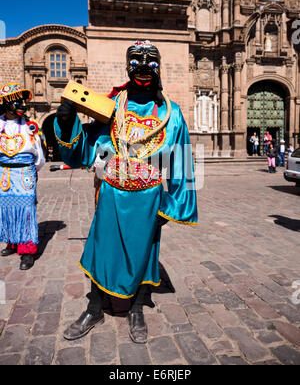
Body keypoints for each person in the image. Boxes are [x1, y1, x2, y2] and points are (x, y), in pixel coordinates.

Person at [54, 40, 198, 343]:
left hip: (148, 200)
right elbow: (87, 152)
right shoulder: (111, 106)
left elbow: (182, 162)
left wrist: (172, 207)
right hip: (111, 194)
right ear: (127, 65)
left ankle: (136, 309)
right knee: (101, 249)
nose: (143, 67)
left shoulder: (171, 114)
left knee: (143, 254)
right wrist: (66, 122)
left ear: (159, 67)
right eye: (136, 60)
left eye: (150, 61)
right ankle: (94, 307)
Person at [0, 83, 46, 270]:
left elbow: (40, 156)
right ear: (6, 103)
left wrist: (31, 171)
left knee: (26, 209)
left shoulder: (30, 127)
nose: (22, 105)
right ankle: (12, 243)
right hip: (4, 173)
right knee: (7, 207)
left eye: (23, 101)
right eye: (17, 101)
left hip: (25, 172)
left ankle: (27, 250)